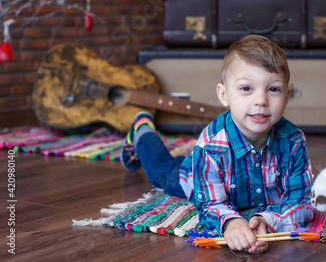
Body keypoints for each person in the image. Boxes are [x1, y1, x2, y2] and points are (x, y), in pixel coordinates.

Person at [121, 35, 314, 253]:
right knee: (161, 169)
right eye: (246, 89)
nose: (261, 100)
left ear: (287, 96)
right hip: (194, 176)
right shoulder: (211, 146)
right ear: (224, 95)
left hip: (216, 171)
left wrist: (267, 220)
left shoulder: (293, 142)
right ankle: (142, 130)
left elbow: (302, 202)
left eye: (273, 89)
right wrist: (231, 223)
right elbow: (211, 205)